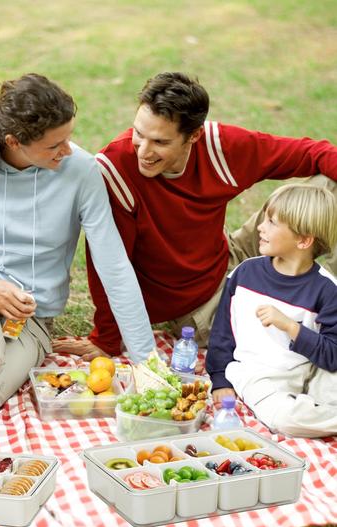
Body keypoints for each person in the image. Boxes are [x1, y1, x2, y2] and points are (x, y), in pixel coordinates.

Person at [0, 73, 154, 420]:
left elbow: (114, 266)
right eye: (54, 145)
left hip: (31, 318)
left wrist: (147, 362)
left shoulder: (82, 172)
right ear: (14, 141)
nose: (67, 150)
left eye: (69, 137)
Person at [54, 72, 337, 361]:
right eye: (139, 133)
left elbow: (313, 153)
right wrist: (107, 339)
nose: (143, 150)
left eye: (160, 142)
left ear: (194, 136)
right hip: (196, 306)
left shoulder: (220, 148)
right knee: (279, 346)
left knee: (330, 187)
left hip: (231, 256)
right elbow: (109, 266)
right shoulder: (115, 171)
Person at [205, 177, 337, 438]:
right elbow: (222, 333)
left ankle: (318, 412)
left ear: (303, 241)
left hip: (310, 370)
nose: (260, 228)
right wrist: (219, 379)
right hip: (258, 376)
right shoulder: (245, 274)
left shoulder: (327, 289)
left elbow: (332, 356)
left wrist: (290, 326)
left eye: (271, 222)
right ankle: (314, 415)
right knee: (286, 420)